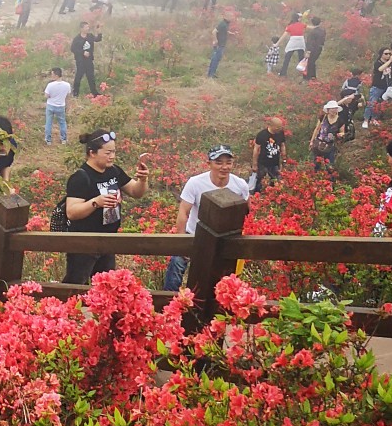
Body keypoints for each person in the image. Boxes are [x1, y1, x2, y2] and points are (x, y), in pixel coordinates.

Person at [54, 129, 149, 286]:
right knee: (76, 286)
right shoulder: (81, 177)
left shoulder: (114, 171)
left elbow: (135, 192)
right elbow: (71, 212)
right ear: (92, 153)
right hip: (84, 244)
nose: (112, 156)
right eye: (107, 152)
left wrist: (143, 179)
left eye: (113, 152)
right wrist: (96, 202)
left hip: (108, 241)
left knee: (106, 288)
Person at [163, 145, 250, 289]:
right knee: (177, 263)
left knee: (222, 277)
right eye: (219, 162)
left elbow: (246, 209)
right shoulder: (195, 183)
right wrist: (181, 242)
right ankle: (168, 302)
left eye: (228, 162)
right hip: (195, 235)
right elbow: (183, 212)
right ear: (209, 163)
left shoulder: (240, 185)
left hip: (225, 239)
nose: (224, 167)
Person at [250, 115, 287, 192]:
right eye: (278, 127)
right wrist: (254, 164)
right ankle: (257, 194)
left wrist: (284, 158)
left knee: (275, 179)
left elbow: (282, 145)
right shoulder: (262, 135)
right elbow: (256, 149)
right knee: (260, 179)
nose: (279, 129)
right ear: (272, 126)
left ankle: (271, 195)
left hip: (275, 162)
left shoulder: (280, 133)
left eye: (280, 127)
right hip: (263, 162)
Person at [308, 102, 344, 173]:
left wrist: (341, 134)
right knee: (316, 164)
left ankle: (330, 181)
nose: (334, 110)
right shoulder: (323, 117)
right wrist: (312, 141)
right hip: (318, 144)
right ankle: (316, 178)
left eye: (335, 108)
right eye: (332, 108)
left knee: (330, 166)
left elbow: (342, 131)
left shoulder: (340, 120)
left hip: (330, 146)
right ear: (328, 110)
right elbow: (317, 129)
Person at [43, 67, 72, 145]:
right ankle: (63, 139)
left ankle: (48, 140)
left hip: (50, 105)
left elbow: (46, 95)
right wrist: (68, 106)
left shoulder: (50, 85)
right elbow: (68, 96)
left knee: (49, 122)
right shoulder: (67, 85)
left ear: (56, 75)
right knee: (62, 122)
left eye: (52, 74)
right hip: (61, 106)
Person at [71, 23, 100, 97]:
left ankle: (94, 93)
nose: (88, 28)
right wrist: (82, 52)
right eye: (86, 27)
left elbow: (97, 39)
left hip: (89, 60)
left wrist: (98, 31)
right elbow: (73, 49)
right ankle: (75, 93)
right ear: (81, 28)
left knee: (91, 77)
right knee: (79, 76)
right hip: (80, 61)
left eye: (88, 27)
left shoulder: (90, 36)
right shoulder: (77, 39)